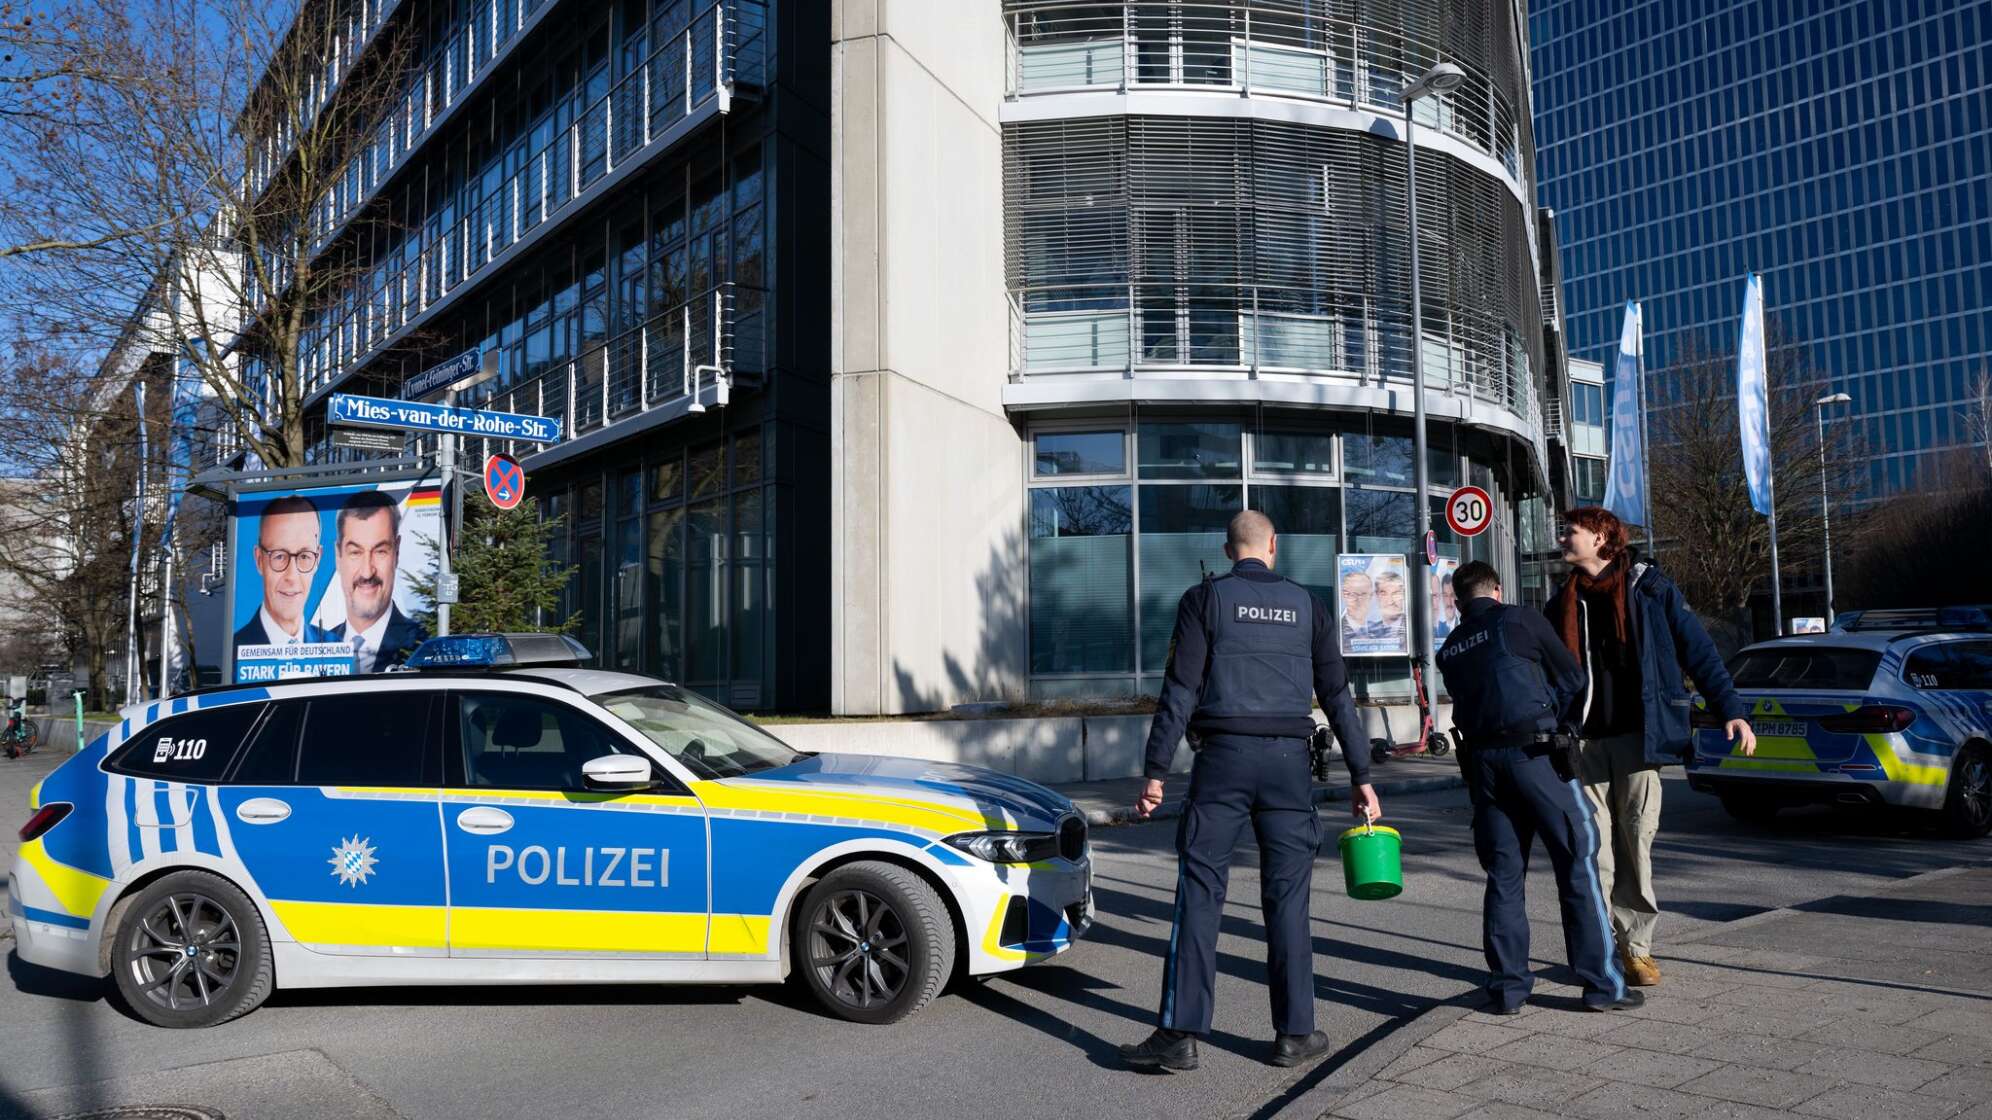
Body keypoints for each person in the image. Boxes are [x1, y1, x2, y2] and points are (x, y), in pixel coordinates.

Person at [1120, 510, 1380, 1073]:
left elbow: (1180, 689)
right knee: (1288, 900)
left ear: (1227, 550)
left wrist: (1155, 771)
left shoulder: (1205, 600)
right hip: (1289, 765)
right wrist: (1363, 776)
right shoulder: (1308, 605)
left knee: (1200, 891)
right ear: (1273, 546)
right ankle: (1295, 1033)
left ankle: (1180, 1034)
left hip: (1223, 763)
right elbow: (1338, 696)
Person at [1546, 508, 1757, 988]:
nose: (1561, 538)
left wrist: (1731, 709)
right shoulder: (1559, 601)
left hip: (1642, 739)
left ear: (1601, 538)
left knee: (1635, 847)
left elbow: (1697, 649)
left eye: (1570, 531)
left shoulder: (1651, 589)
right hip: (1583, 743)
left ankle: (1636, 948)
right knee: (1593, 851)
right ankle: (1602, 949)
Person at [1437, 561, 1640, 1014]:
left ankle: (1508, 989)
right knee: (1577, 861)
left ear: (1458, 600)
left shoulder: (1449, 649)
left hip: (1485, 767)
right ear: (1497, 587)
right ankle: (1603, 986)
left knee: (1505, 876)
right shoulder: (1520, 618)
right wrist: (1563, 724)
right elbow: (1572, 678)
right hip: (1537, 757)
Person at [329, 490, 427, 672]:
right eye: (355, 553)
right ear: (338, 556)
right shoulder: (318, 650)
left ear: (396, 553)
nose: (367, 572)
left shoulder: (422, 645)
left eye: (380, 551)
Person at [233, 495, 335, 648]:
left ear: (318, 560)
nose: (292, 576)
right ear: (259, 559)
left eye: (304, 556)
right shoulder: (235, 653)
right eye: (279, 556)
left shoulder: (336, 650)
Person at [1338, 568, 1376, 652]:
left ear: (1371, 596)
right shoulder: (1335, 631)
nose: (1358, 600)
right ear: (1344, 595)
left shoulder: (1381, 631)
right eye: (1352, 594)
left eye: (1363, 594)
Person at [1372, 569, 1409, 650]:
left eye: (1396, 593)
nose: (1390, 601)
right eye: (1384, 594)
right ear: (1376, 596)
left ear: (1404, 595)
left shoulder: (1413, 628)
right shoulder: (1370, 631)